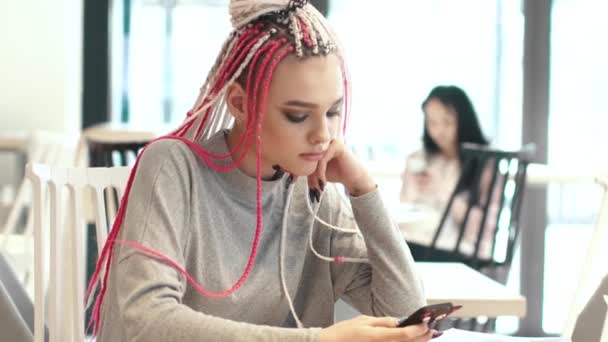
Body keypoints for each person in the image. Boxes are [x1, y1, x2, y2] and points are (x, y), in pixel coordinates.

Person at [87, 1, 436, 341]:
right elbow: (149, 322)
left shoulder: (318, 196)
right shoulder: (173, 167)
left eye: (332, 112)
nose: (323, 135)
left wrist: (363, 188)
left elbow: (405, 314)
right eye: (297, 115)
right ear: (240, 103)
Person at [399, 85, 497, 260]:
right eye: (432, 123)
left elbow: (482, 229)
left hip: (463, 250)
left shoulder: (483, 163)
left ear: (464, 121)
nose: (438, 131)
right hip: (422, 241)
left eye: (447, 122)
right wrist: (412, 183)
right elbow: (406, 208)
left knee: (400, 254)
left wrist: (442, 192)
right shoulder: (420, 159)